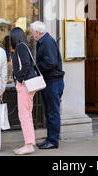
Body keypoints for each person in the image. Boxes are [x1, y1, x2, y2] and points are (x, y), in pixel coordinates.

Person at [30, 21, 65, 150]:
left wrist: (36, 69)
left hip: (53, 82)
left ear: (38, 33)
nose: (32, 35)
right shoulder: (44, 41)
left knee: (52, 112)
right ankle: (50, 138)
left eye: (32, 32)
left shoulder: (48, 42)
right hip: (50, 81)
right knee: (50, 112)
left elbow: (51, 62)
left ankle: (53, 141)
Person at [10, 27, 37, 155]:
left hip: (25, 85)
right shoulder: (25, 45)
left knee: (24, 116)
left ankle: (28, 145)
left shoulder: (20, 47)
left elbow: (26, 65)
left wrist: (19, 80)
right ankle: (29, 143)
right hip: (28, 84)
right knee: (27, 115)